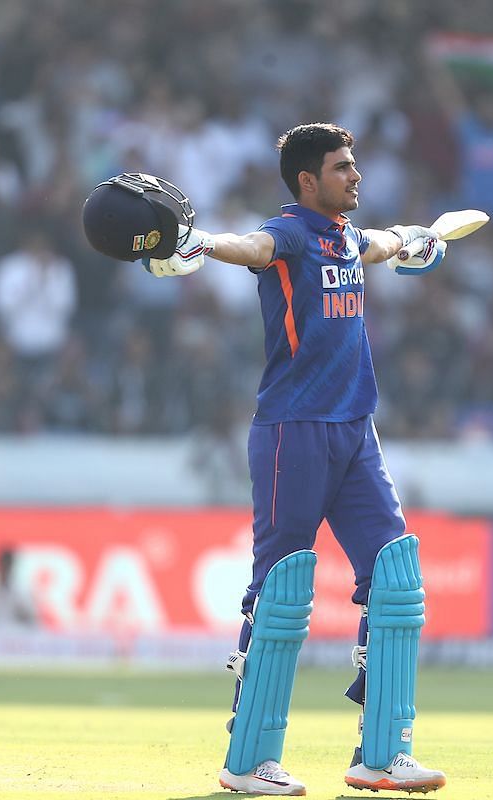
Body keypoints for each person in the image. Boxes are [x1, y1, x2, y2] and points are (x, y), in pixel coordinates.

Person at [82, 124, 447, 796]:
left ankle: (384, 754)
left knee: (396, 579)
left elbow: (383, 243)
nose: (356, 176)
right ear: (309, 181)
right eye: (342, 168)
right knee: (282, 591)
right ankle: (248, 761)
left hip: (355, 432)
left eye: (355, 165)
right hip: (292, 432)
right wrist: (199, 244)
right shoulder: (289, 233)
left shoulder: (344, 236)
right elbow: (249, 247)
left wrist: (418, 239)